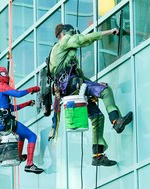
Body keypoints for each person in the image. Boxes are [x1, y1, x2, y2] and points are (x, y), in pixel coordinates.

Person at [49, 24, 133, 167]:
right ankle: (116, 120)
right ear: (63, 34)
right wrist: (108, 31)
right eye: (71, 33)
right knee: (105, 91)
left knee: (97, 117)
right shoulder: (63, 42)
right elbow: (83, 39)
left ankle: (97, 155)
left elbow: (78, 75)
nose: (72, 36)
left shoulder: (58, 55)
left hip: (70, 89)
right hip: (72, 86)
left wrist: (93, 83)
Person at [0, 66, 43, 174]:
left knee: (22, 135)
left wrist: (26, 104)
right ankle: (29, 164)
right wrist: (33, 89)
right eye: (4, 74)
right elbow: (18, 94)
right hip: (6, 122)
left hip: (1, 123)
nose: (7, 76)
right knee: (32, 136)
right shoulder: (1, 86)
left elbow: (11, 108)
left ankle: (18, 156)